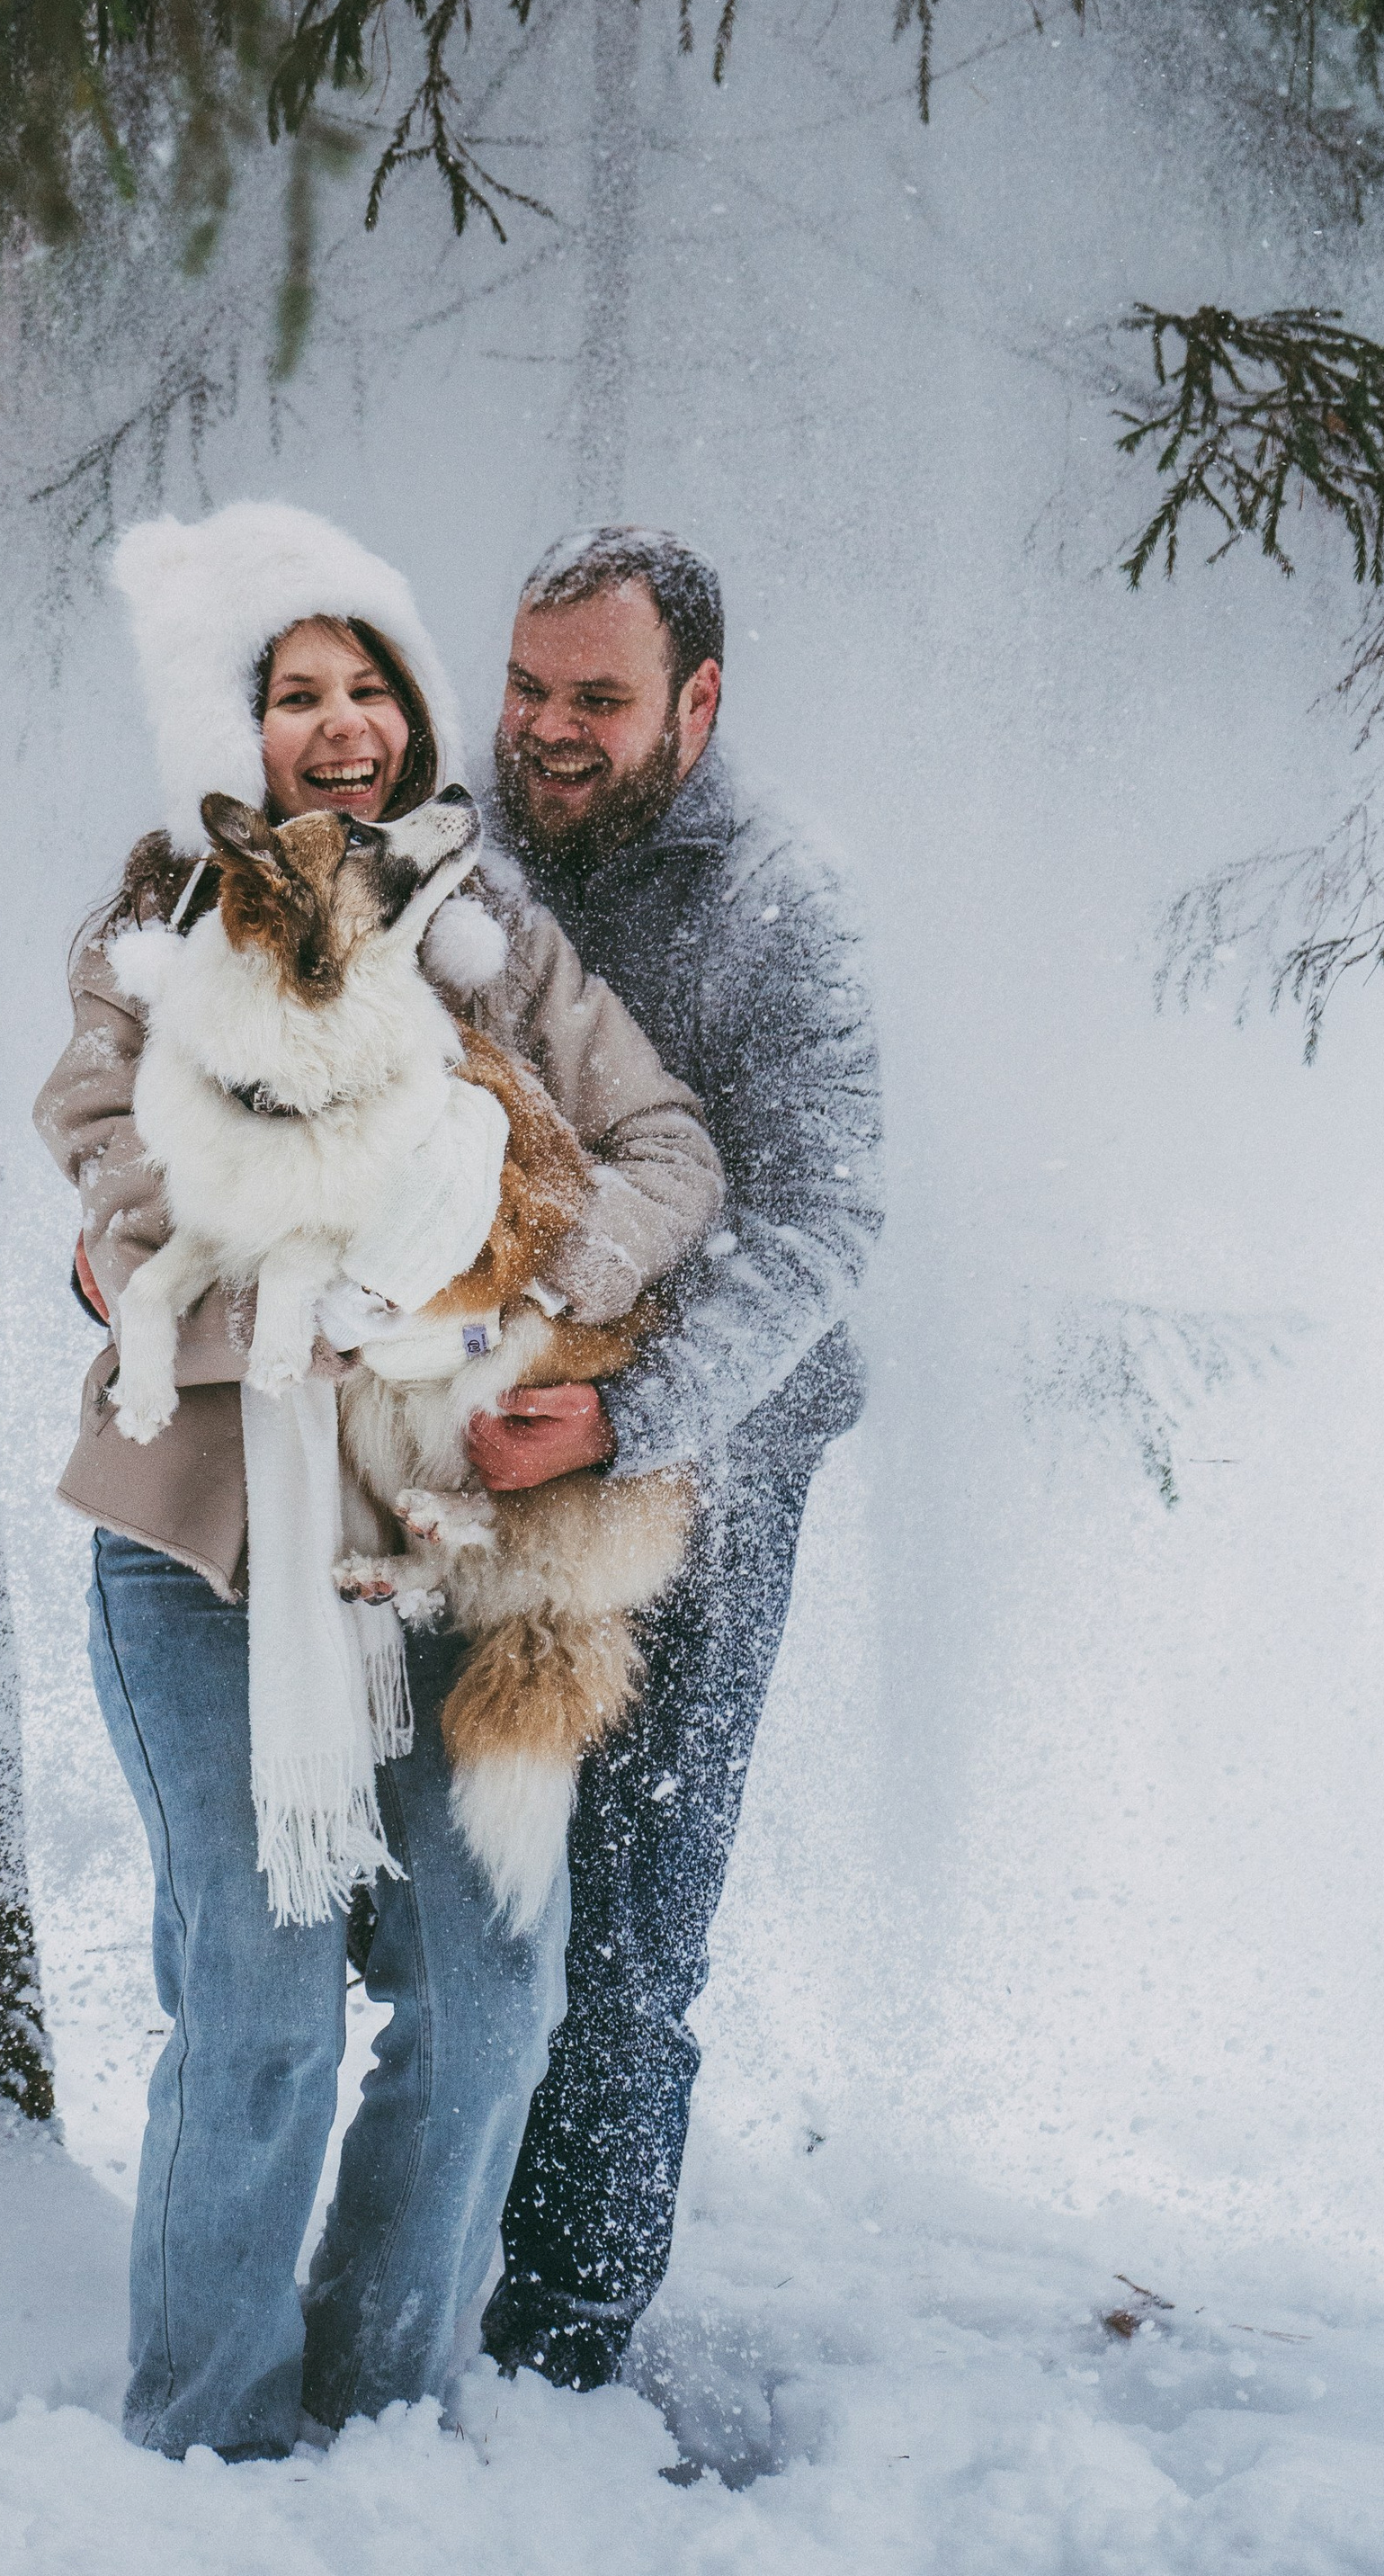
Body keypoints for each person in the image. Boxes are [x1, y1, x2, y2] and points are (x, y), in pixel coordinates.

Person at [34, 500, 724, 2462]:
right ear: (225, 726)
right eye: (291, 694)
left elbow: (663, 1148)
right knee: (252, 2020)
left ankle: (383, 2424)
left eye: (367, 690)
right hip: (215, 1537)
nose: (337, 727)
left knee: (488, 2006)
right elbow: (117, 1166)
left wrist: (521, 1292)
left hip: (448, 1545)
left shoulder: (491, 935)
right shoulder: (158, 933)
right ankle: (207, 2441)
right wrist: (220, 1246)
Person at [469, 523, 884, 2392]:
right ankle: (409, 2273)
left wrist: (635, 1417)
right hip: (465, 1439)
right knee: (447, 1904)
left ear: (695, 704)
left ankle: (556, 2346)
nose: (546, 733)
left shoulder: (784, 898)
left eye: (598, 702)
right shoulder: (444, 843)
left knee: (630, 1930)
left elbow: (819, 1220)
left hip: (706, 1460)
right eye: (528, 688)